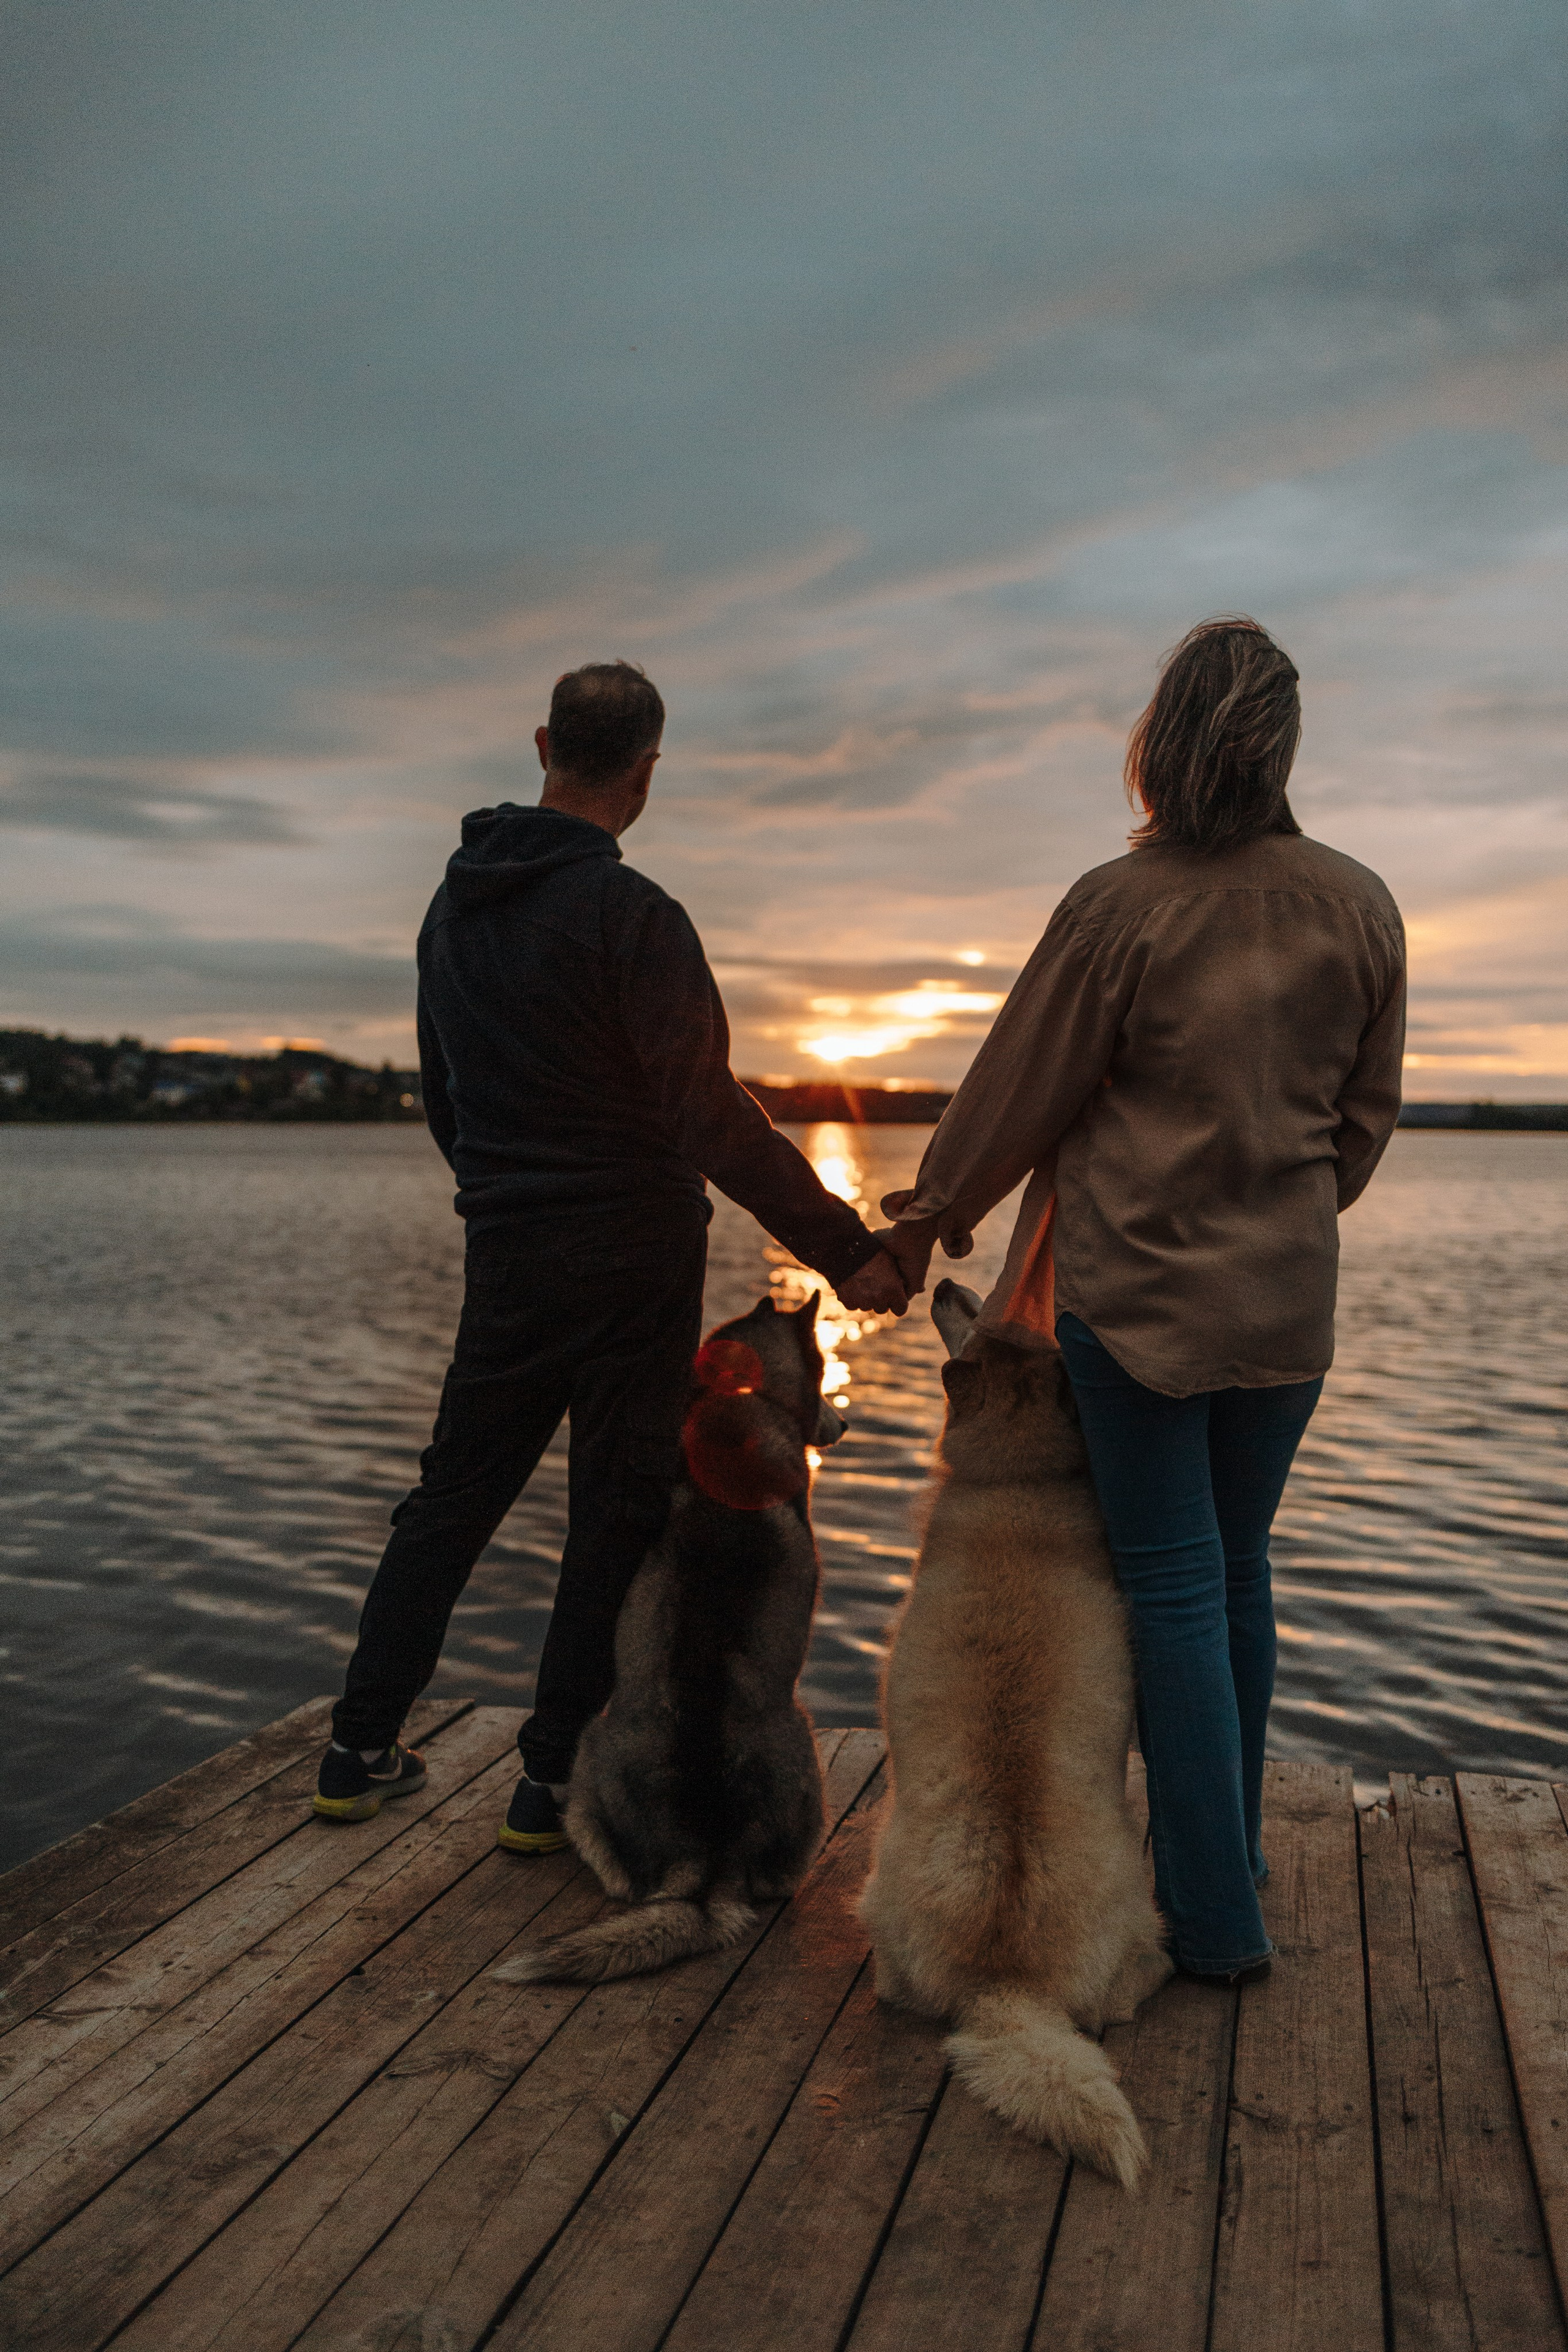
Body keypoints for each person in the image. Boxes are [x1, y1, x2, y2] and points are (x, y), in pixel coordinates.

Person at [881, 616, 1405, 1984]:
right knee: (1236, 1575)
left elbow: (1016, 1090)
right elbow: (1360, 1125)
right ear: (1280, 743)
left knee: (1171, 1586)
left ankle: (1216, 1926)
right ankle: (1221, 1866)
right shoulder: (1360, 904)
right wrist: (1279, 1221)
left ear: (1156, 742)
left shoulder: (1116, 908)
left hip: (1129, 1302)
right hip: (1282, 1308)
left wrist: (933, 1213)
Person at [315, 661, 908, 1847]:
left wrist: (500, 1192)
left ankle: (355, 1751)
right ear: (647, 768)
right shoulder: (634, 917)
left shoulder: (452, 911)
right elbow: (708, 1115)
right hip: (633, 1246)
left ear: (543, 743)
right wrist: (849, 1253)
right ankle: (544, 1787)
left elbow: (446, 1096)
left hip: (511, 1242)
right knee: (613, 1510)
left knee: (453, 1494)